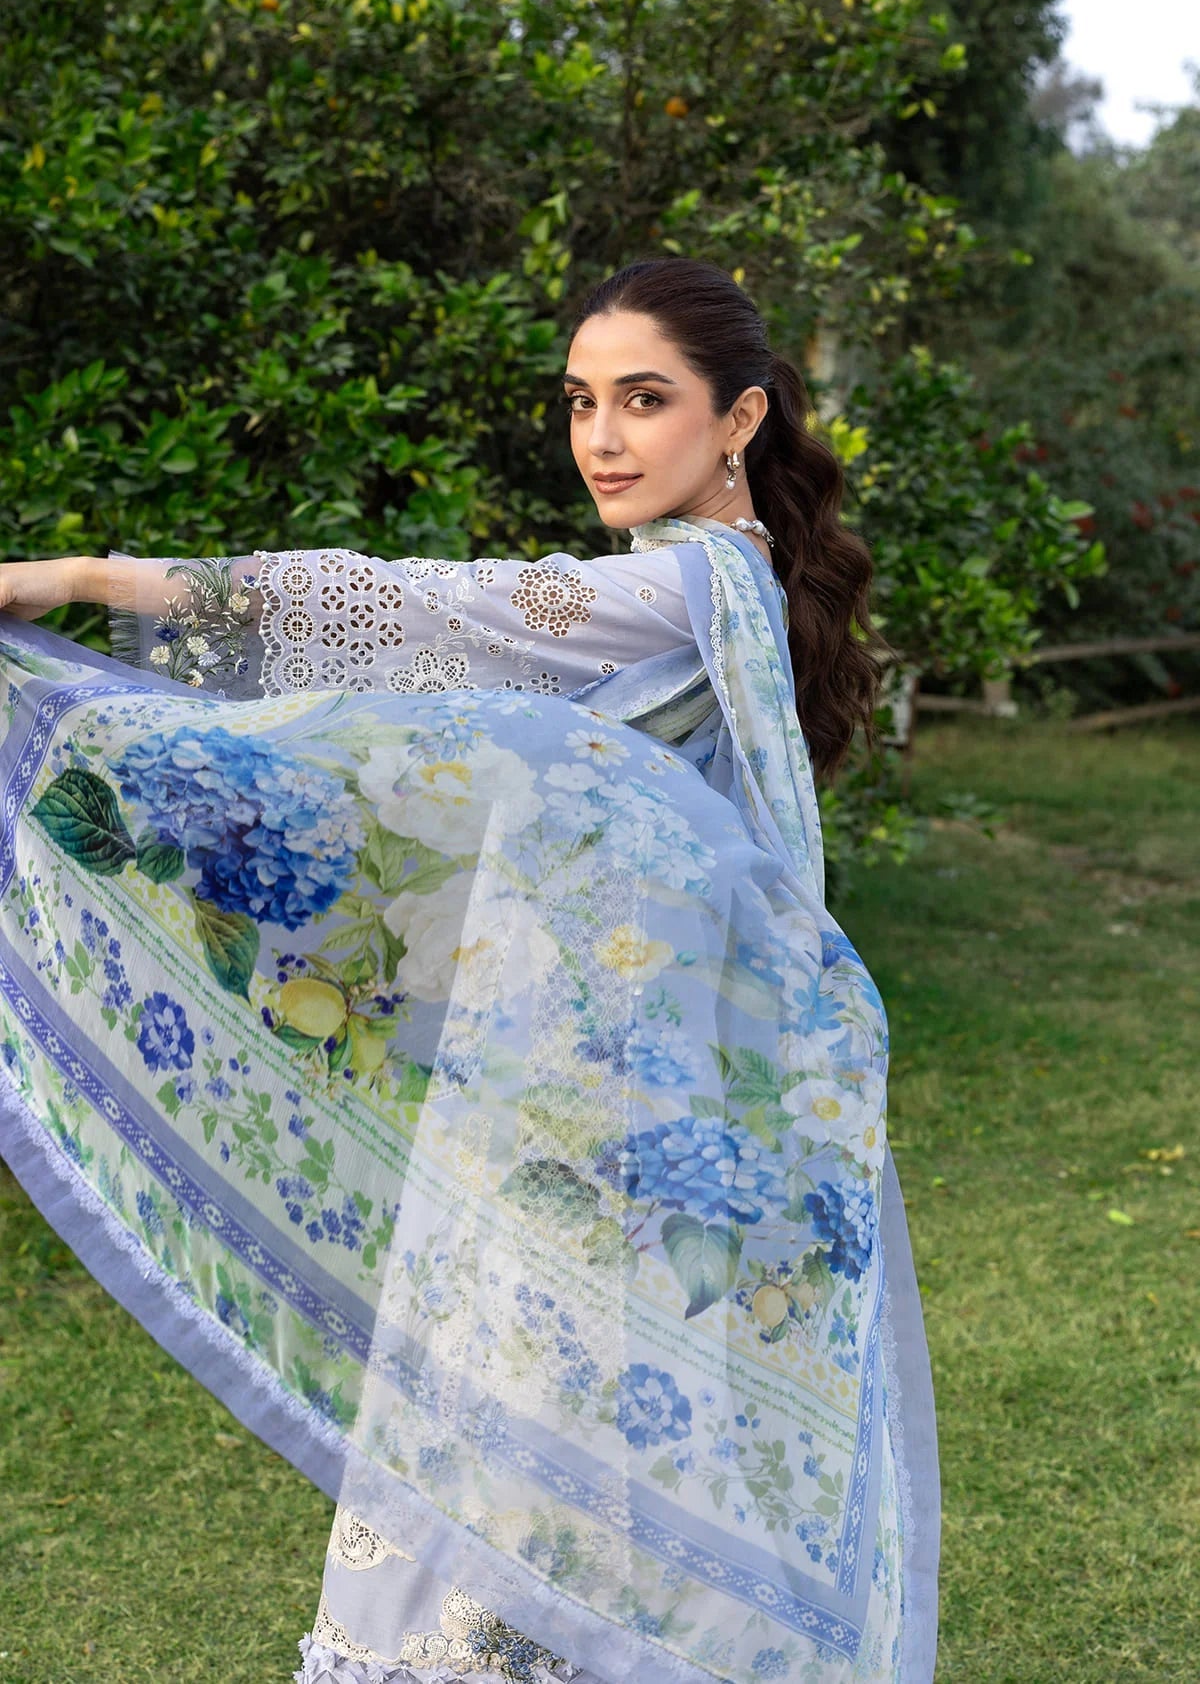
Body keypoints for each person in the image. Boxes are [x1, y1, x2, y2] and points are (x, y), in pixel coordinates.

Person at [0, 258, 939, 1684]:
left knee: (525, 1397)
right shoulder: (710, 596)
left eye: (644, 401)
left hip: (603, 1103)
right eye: (580, 402)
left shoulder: (687, 587)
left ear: (740, 418)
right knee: (558, 1405)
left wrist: (77, 581)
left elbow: (430, 610)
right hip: (587, 1076)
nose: (602, 439)